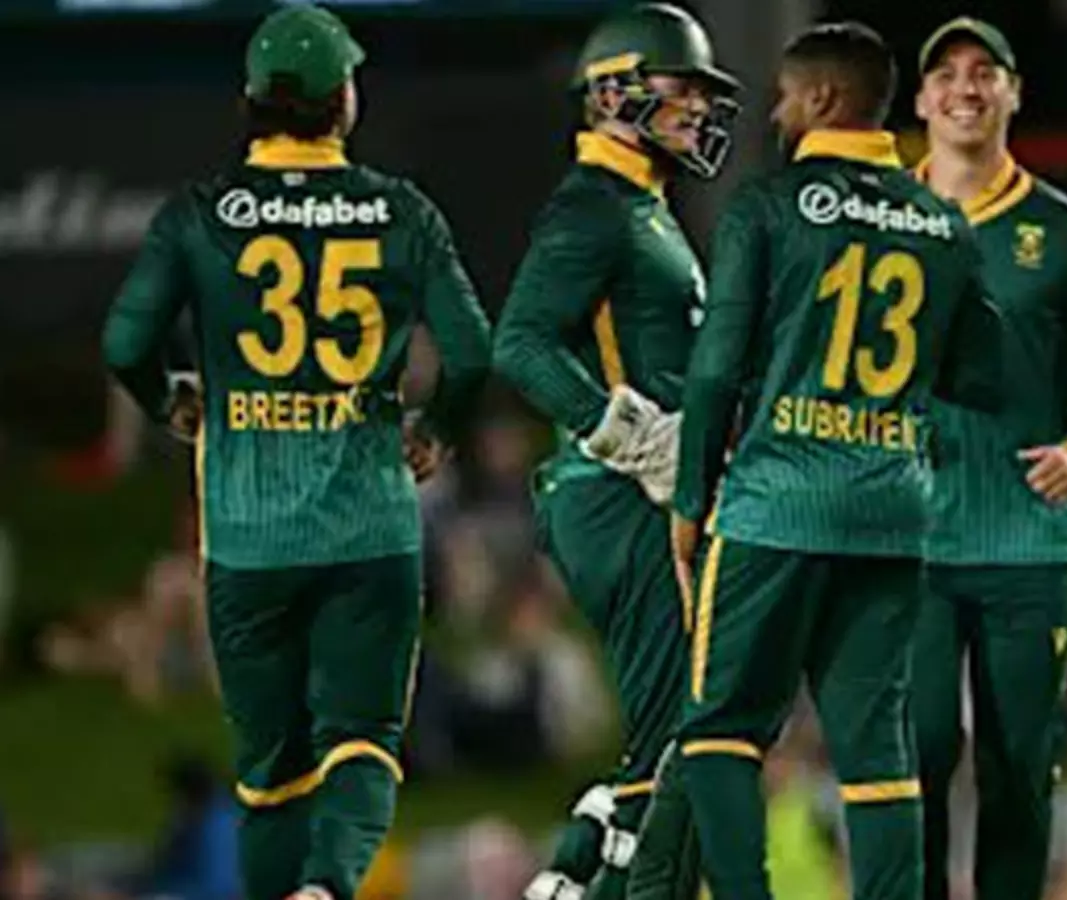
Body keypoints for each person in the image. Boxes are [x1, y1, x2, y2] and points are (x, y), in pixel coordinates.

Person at [100, 6, 492, 899]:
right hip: (369, 526)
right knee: (363, 742)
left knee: (270, 775)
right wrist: (436, 429)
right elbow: (472, 353)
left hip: (247, 538)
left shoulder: (199, 216)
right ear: (343, 100)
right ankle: (328, 886)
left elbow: (125, 343)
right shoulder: (403, 212)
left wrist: (169, 401)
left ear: (251, 101)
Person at [655, 21, 1006, 900]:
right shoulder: (943, 223)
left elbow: (716, 367)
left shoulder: (766, 207)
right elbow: (985, 374)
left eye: (783, 96)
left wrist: (690, 498)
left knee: (721, 729)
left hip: (776, 504)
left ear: (820, 98)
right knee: (876, 742)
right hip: (891, 512)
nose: (776, 113)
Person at [489, 4, 741, 899]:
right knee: (693, 738)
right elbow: (520, 343)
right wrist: (633, 436)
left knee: (689, 732)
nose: (698, 107)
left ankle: (578, 867)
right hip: (618, 493)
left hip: (636, 494)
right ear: (611, 94)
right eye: (682, 87)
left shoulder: (641, 206)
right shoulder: (595, 205)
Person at [907, 17, 1067, 900]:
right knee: (915, 754)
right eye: (946, 73)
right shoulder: (879, 219)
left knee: (1018, 765)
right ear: (921, 99)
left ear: (1014, 93)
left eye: (985, 72)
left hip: (1028, 539)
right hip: (906, 536)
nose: (965, 88)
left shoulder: (1066, 231)